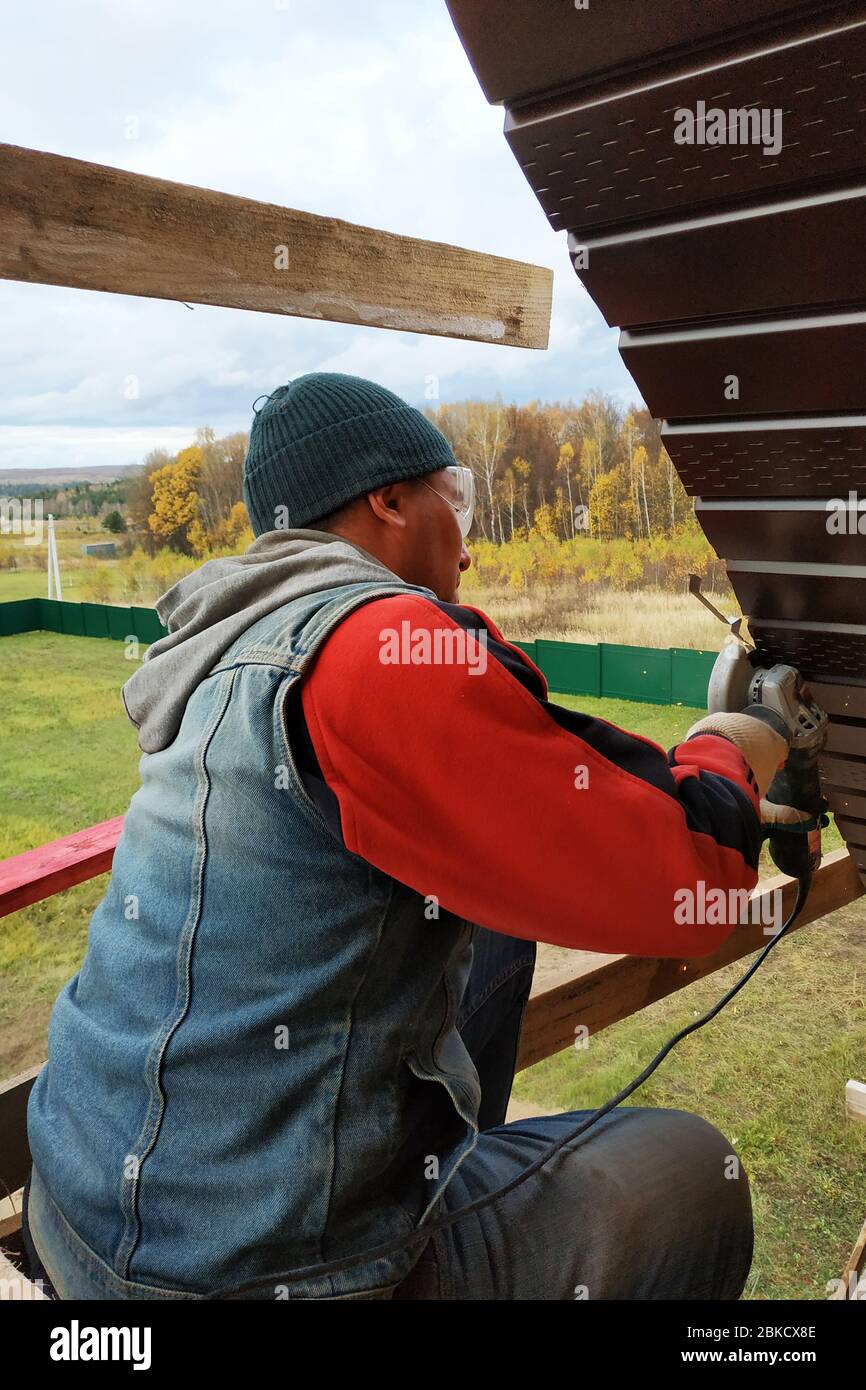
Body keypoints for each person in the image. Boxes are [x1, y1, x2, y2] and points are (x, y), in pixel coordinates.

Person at [24, 373, 788, 1300]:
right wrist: (732, 749)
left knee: (498, 933)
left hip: (72, 1209)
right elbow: (682, 884)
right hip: (236, 1273)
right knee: (690, 1174)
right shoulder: (376, 644)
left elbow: (522, 786)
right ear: (387, 498)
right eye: (452, 499)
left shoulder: (228, 645)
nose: (464, 546)